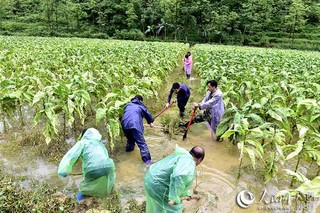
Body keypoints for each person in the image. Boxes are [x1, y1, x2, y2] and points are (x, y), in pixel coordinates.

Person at [58, 128, 116, 201]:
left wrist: (64, 170)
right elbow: (105, 158)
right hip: (109, 167)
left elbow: (71, 155)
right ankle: (107, 201)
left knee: (84, 188)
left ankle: (77, 203)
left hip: (92, 168)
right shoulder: (101, 145)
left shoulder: (83, 143)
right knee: (106, 186)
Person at [144, 145, 205, 213]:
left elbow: (181, 181)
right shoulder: (189, 163)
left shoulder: (183, 155)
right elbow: (178, 176)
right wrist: (174, 198)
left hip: (150, 177)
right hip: (158, 185)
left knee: (157, 207)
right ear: (199, 159)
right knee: (174, 209)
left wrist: (186, 195)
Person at [121, 95, 154, 164]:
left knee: (130, 140)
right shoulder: (140, 106)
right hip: (135, 126)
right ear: (140, 101)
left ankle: (128, 155)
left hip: (125, 125)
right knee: (142, 144)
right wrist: (151, 122)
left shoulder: (127, 105)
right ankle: (147, 162)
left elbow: (123, 116)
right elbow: (148, 115)